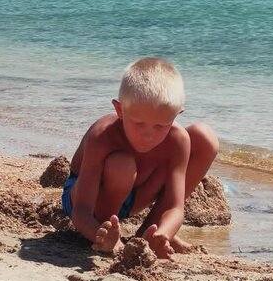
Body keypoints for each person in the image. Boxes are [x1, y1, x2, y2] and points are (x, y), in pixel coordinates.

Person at [62, 57, 219, 258]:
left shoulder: (177, 139)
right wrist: (101, 237)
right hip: (86, 198)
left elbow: (175, 207)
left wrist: (164, 232)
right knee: (122, 165)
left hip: (135, 196)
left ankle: (149, 234)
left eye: (161, 126)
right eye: (138, 123)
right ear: (119, 110)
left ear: (176, 114)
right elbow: (81, 210)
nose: (148, 135)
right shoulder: (102, 136)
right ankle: (108, 231)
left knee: (204, 138)